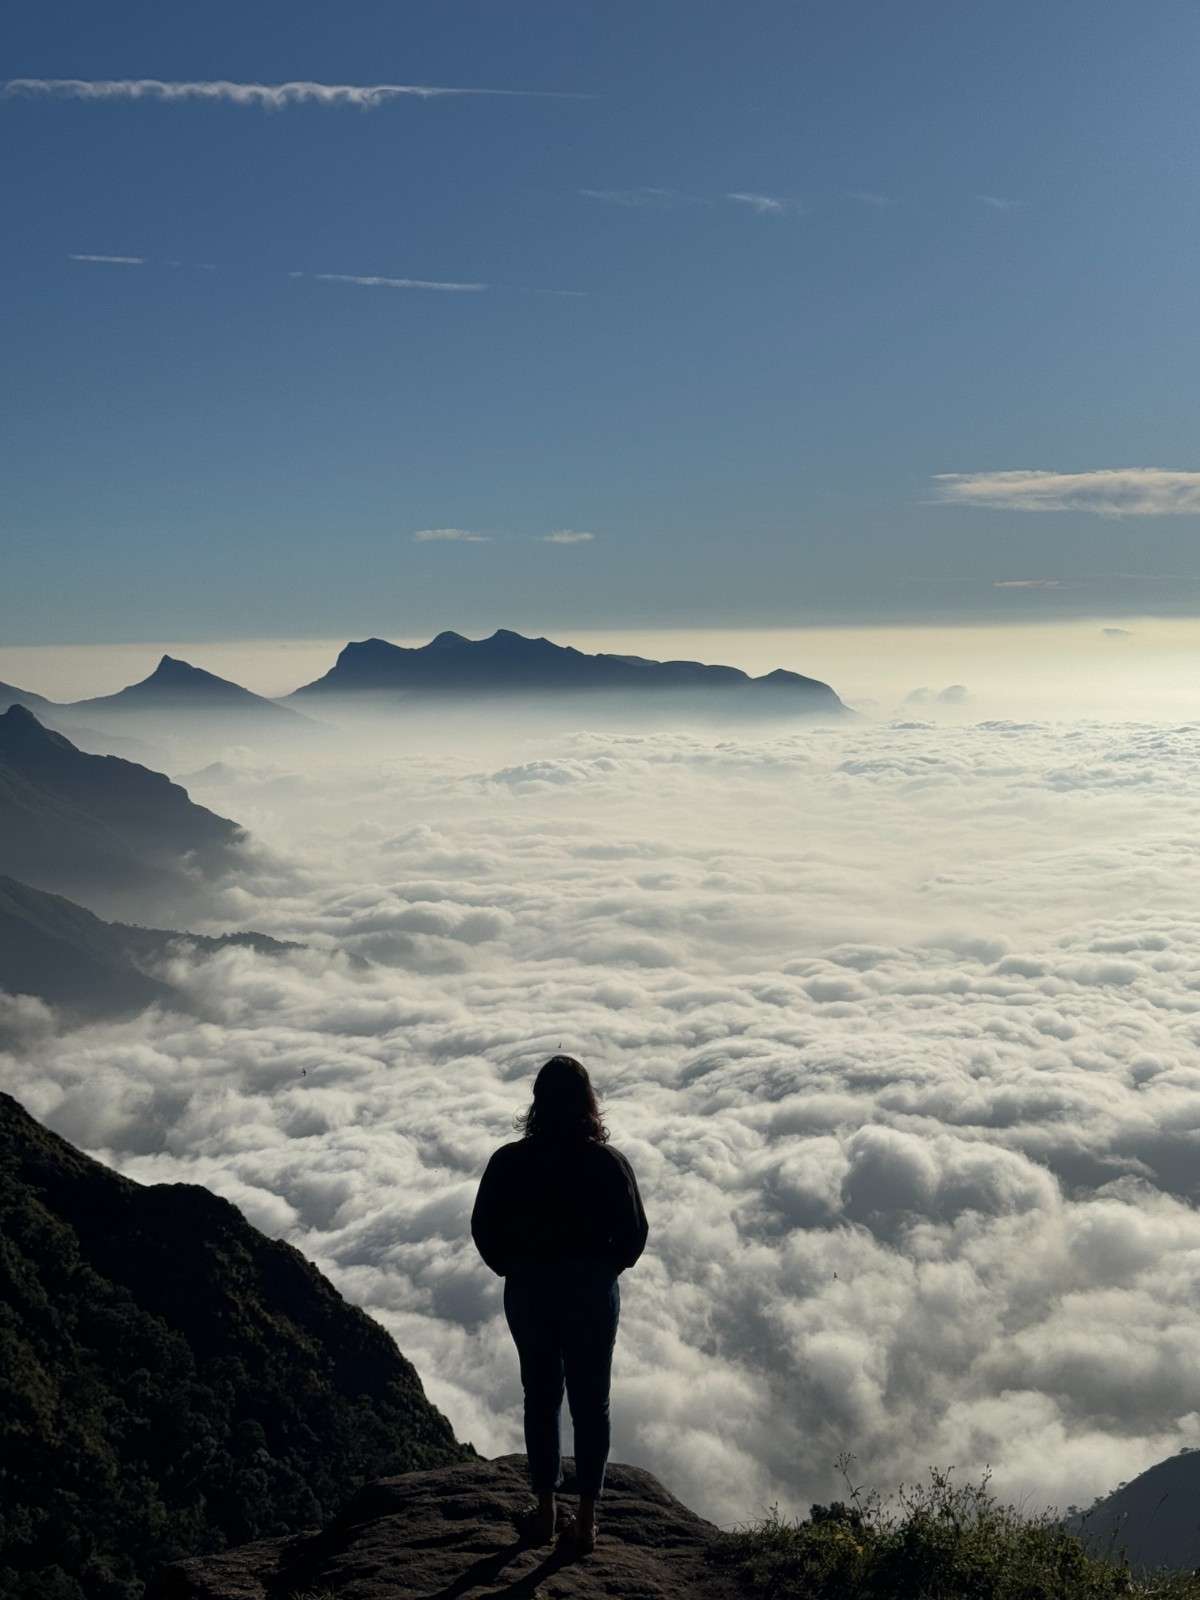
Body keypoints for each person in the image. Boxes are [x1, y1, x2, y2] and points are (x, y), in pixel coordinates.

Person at [471, 1054, 648, 1557]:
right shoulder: (608, 1163)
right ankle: (587, 1520)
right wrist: (604, 1268)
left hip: (530, 1292)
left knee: (540, 1396)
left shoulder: (509, 1162)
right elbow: (635, 1235)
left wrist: (514, 1268)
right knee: (593, 1402)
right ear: (589, 1104)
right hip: (592, 1293)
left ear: (537, 1104)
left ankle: (546, 1510)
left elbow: (484, 1228)